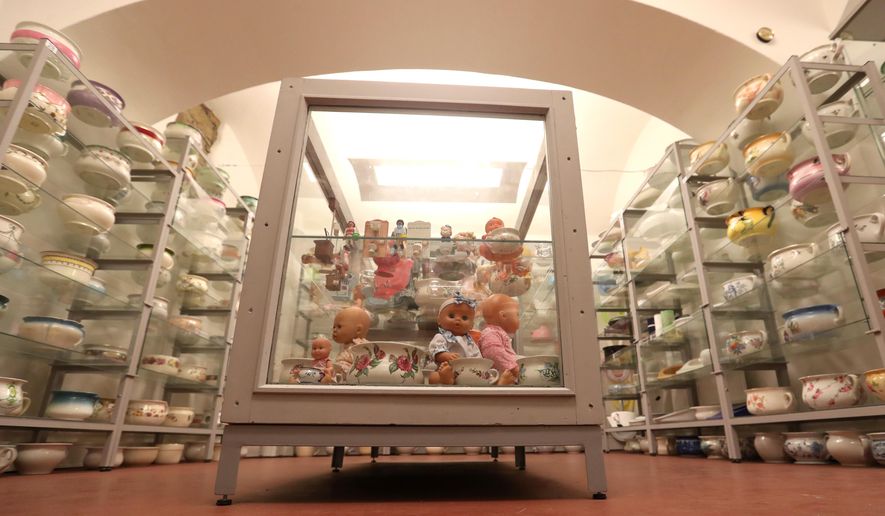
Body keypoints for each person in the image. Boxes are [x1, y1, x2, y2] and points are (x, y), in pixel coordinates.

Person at [427, 292, 481, 384]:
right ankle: (444, 378)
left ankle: (499, 383)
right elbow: (435, 351)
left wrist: (479, 364)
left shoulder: (470, 341)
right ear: (439, 320)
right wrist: (445, 355)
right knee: (433, 377)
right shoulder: (441, 337)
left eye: (464, 318)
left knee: (484, 376)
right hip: (448, 368)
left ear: (472, 325)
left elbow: (477, 355)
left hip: (467, 372)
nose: (458, 319)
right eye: (451, 316)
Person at [321, 306, 371, 384]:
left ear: (358, 330)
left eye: (339, 326)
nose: (334, 330)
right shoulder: (347, 346)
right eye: (334, 327)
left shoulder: (360, 347)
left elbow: (356, 368)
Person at [478, 294, 520, 385]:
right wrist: (513, 368)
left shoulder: (498, 333)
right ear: (503, 315)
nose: (519, 319)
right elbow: (494, 353)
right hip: (498, 378)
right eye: (517, 314)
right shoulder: (491, 333)